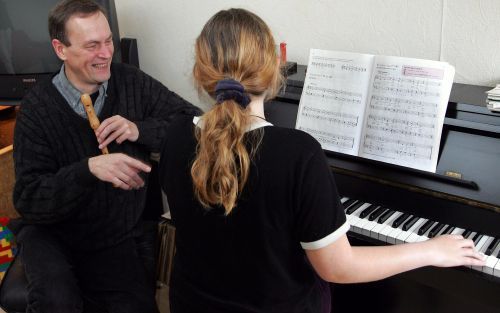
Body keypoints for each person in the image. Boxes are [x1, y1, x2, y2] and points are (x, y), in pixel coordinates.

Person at [158, 8, 485, 313]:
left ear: (202, 72)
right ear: (273, 69)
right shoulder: (296, 153)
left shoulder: (174, 136)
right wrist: (430, 250)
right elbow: (338, 267)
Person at [12, 0, 201, 312]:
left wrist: (139, 130)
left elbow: (194, 122)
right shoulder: (36, 109)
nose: (106, 53)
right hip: (53, 235)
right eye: (92, 45)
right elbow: (29, 199)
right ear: (61, 49)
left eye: (108, 41)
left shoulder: (130, 81)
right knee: (58, 302)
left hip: (112, 236)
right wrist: (87, 170)